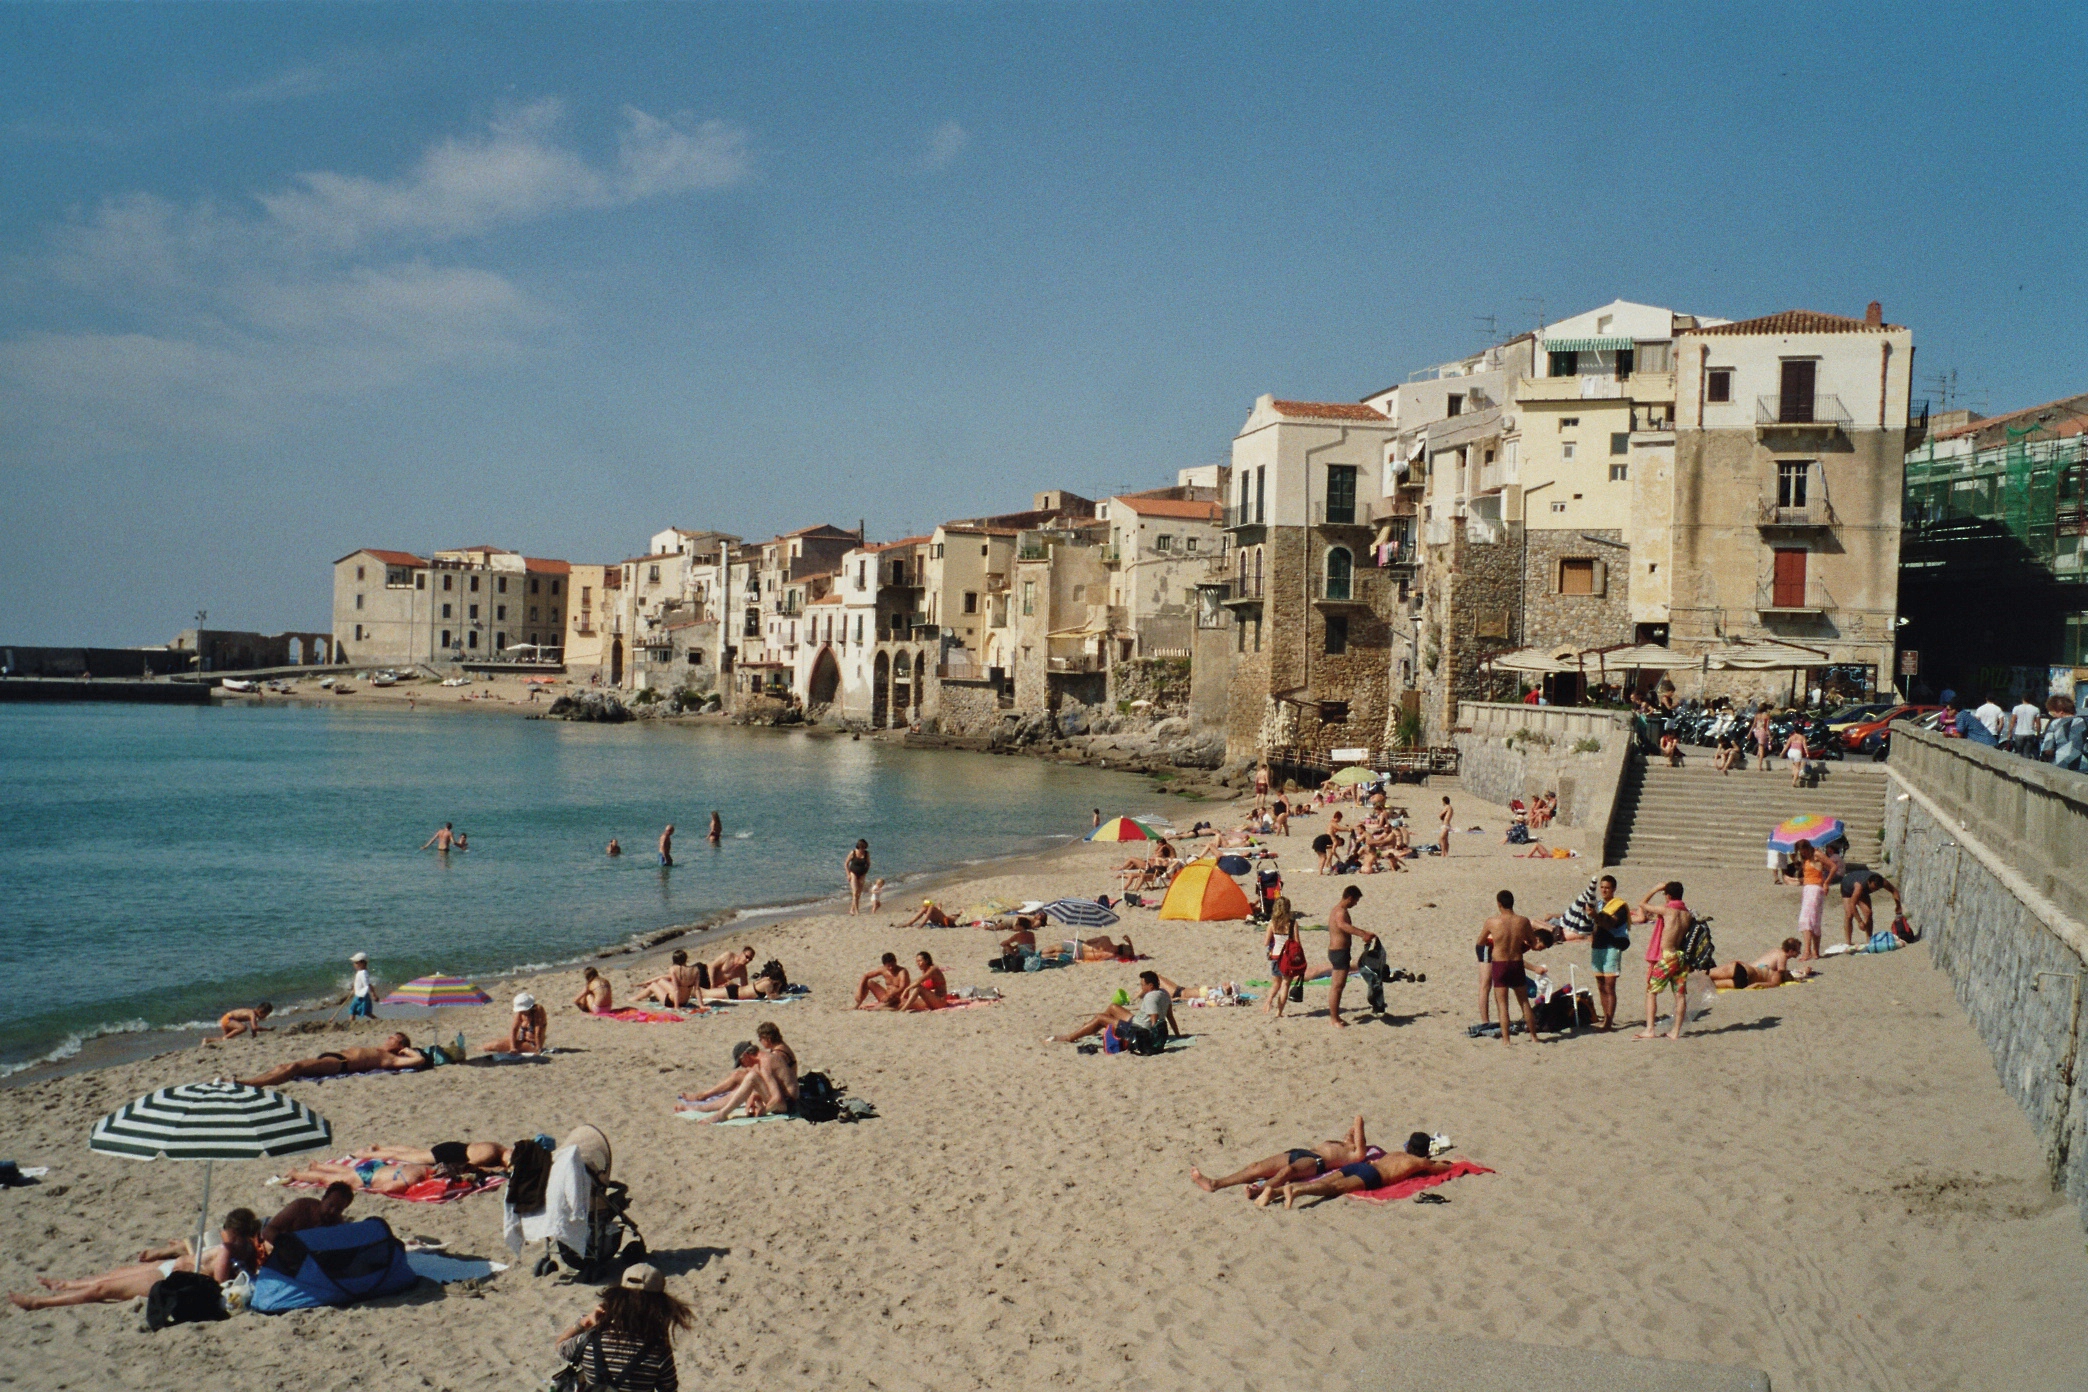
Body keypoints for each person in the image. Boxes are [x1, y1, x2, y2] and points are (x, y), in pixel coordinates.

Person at [9, 1209, 262, 1309]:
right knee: (113, 1275)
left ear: (237, 1233)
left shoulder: (229, 1248)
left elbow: (220, 1284)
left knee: (104, 1287)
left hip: (168, 1276)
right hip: (168, 1268)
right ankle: (64, 1285)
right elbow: (215, 1269)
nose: (224, 1236)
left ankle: (39, 1303)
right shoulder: (234, 1247)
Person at [552, 1261, 694, 1392]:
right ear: (659, 1306)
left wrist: (585, 1322)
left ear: (618, 1298)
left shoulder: (588, 1340)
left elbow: (560, 1345)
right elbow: (668, 1389)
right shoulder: (658, 1351)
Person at [1259, 1132, 1451, 1209]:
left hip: (1361, 1166)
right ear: (1425, 1151)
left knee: (1326, 1181)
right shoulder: (1418, 1162)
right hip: (1372, 1175)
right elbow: (1441, 1169)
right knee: (1334, 1189)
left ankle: (1272, 1192)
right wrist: (1445, 1163)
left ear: (1408, 1145)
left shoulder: (1395, 1154)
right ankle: (1298, 1190)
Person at [1191, 1115, 1371, 1195]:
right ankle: (1215, 1183)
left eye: (1354, 1135)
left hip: (1316, 1162)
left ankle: (1260, 1190)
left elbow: (1359, 1123)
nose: (1350, 1133)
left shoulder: (1355, 1154)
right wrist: (1348, 1135)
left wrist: (1357, 1125)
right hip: (1301, 1153)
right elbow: (1352, 1129)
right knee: (1256, 1167)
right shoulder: (1337, 1143)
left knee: (1288, 1171)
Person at [683, 1022, 798, 1122]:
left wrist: (763, 1111)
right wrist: (757, 1095)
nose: (742, 1066)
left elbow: (777, 1099)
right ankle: (704, 1102)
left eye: (741, 1062)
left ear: (746, 1056)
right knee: (745, 1078)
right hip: (785, 1099)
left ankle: (721, 1113)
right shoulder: (765, 1058)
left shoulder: (767, 1062)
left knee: (751, 1077)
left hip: (788, 1104)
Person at [237, 1033, 427, 1086]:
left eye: (393, 1038)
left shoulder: (391, 1059)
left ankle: (250, 1084)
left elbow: (418, 1060)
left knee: (293, 1067)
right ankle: (253, 1080)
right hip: (332, 1057)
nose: (388, 1038)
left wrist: (408, 1051)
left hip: (339, 1065)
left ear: (400, 1045)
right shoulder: (379, 1049)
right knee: (283, 1066)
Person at [1047, 970, 1176, 1045]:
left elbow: (1154, 1020)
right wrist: (1178, 1035)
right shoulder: (1164, 993)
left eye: (1143, 985)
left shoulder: (1150, 997)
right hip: (1138, 1021)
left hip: (1136, 1031)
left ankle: (1070, 1037)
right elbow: (1170, 1016)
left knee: (1100, 1017)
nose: (1141, 987)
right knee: (1113, 1007)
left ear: (1151, 985)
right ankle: (1091, 1029)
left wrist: (1151, 1038)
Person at [1635, 882, 1694, 1041]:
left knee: (1651, 991)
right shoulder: (1687, 914)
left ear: (1668, 896)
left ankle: (1649, 1029)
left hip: (1667, 957)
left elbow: (1642, 904)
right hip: (1681, 957)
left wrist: (1655, 888)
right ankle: (1675, 1032)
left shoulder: (1667, 910)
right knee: (1679, 995)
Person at [1482, 890, 1542, 1048]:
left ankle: (1506, 1040)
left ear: (1499, 904)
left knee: (1502, 1005)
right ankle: (1534, 1037)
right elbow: (1533, 943)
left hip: (1500, 964)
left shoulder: (1492, 922)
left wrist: (1493, 943)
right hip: (1516, 962)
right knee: (1524, 1002)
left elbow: (1480, 941)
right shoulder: (1522, 921)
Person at [1325, 885, 1378, 1029]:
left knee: (1338, 986)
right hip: (1338, 952)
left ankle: (1335, 1016)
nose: (1356, 904)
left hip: (1340, 951)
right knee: (1337, 986)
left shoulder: (1338, 910)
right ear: (1349, 898)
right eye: (1355, 901)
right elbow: (1343, 925)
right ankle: (1334, 1019)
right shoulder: (1340, 912)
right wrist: (1363, 934)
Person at [1586, 879, 1631, 1031]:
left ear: (1613, 889)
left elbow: (1610, 923)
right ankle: (1605, 1017)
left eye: (1607, 888)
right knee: (1600, 984)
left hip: (1612, 946)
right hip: (1597, 946)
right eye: (1602, 887)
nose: (1604, 890)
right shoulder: (1598, 905)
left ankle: (1609, 1021)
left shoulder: (1619, 906)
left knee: (1610, 985)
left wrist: (1595, 917)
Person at [260, 1182, 354, 1247]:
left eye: (339, 1209)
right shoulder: (300, 1207)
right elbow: (268, 1230)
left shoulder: (336, 1224)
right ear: (323, 1199)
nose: (332, 1211)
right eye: (330, 1205)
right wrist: (285, 1246)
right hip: (267, 1227)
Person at [1710, 938, 1812, 989]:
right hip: (1750, 975)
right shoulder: (1782, 956)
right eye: (1798, 951)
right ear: (1790, 951)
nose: (1799, 953)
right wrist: (1803, 972)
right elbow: (1782, 973)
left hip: (1747, 968)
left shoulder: (1776, 950)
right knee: (1712, 983)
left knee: (1708, 974)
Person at [1264, 898, 1306, 1020]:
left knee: (1275, 983)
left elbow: (1266, 942)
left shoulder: (1272, 923)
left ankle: (1269, 1000)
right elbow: (1297, 942)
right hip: (1287, 958)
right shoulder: (1292, 923)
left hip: (1275, 956)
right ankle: (1278, 1012)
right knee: (1285, 985)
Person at [1843, 872, 1904, 946]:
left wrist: (1898, 906)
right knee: (1849, 914)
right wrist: (1860, 921)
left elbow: (1894, 891)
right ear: (1869, 882)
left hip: (1863, 891)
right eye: (1873, 888)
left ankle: (1869, 939)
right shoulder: (1859, 886)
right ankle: (1848, 942)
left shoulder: (1883, 882)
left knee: (1868, 913)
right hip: (1847, 888)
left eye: (1876, 889)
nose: (1874, 890)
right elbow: (1852, 904)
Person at [634, 950, 708, 1008]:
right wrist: (701, 1005)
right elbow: (697, 989)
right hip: (684, 1002)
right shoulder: (695, 970)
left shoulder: (673, 969)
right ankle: (644, 986)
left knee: (653, 985)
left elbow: (676, 990)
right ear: (686, 959)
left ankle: (634, 999)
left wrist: (676, 1006)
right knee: (661, 981)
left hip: (671, 1002)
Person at [1792, 840, 1827, 960]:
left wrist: (1826, 882)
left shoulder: (1816, 854)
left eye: (1802, 850)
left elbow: (1833, 866)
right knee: (1814, 919)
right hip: (1809, 888)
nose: (1802, 852)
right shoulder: (1807, 858)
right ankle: (1815, 951)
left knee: (1806, 919)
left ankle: (1807, 951)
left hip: (1814, 888)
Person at [2043, 694, 2084, 770]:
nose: (2053, 716)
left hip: (2060, 762)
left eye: (2053, 713)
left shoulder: (2055, 723)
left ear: (2061, 712)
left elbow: (2048, 749)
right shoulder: (2083, 722)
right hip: (2081, 764)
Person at [2009, 693, 2044, 757]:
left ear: (2022, 699)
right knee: (2027, 753)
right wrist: (2038, 734)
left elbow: (2012, 722)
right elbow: (2038, 724)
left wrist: (2010, 732)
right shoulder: (2036, 709)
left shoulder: (2016, 708)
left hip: (2019, 733)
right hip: (2030, 733)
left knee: (2018, 753)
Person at [845, 839, 871, 915]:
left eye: (864, 848)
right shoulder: (853, 853)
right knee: (855, 892)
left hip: (862, 874)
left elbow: (869, 864)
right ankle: (857, 911)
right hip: (853, 873)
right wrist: (848, 874)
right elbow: (846, 864)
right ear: (859, 846)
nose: (863, 849)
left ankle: (852, 909)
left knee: (859, 893)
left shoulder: (866, 854)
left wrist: (865, 873)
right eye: (862, 848)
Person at [349, 951, 374, 1020]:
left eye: (356, 963)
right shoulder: (361, 972)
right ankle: (378, 1020)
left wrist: (373, 994)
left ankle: (351, 1025)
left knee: (352, 1010)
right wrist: (354, 988)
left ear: (362, 963)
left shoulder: (363, 973)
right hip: (360, 995)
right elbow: (359, 983)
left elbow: (367, 984)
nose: (354, 964)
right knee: (365, 1012)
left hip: (361, 996)